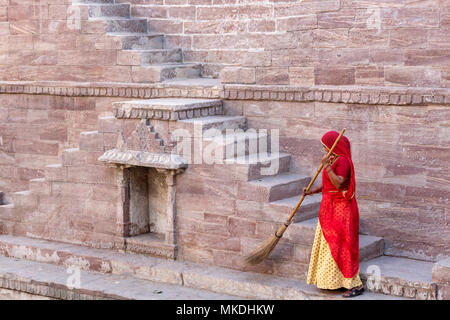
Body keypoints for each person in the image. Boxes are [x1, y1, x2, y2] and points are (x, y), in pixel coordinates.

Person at [303, 131, 364, 298]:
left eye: (325, 145)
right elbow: (328, 184)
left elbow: (338, 184)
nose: (323, 148)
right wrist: (312, 192)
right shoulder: (333, 159)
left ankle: (355, 285)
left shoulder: (343, 161)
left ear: (333, 146)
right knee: (330, 244)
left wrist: (327, 166)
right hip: (328, 207)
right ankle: (337, 282)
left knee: (343, 245)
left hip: (341, 209)